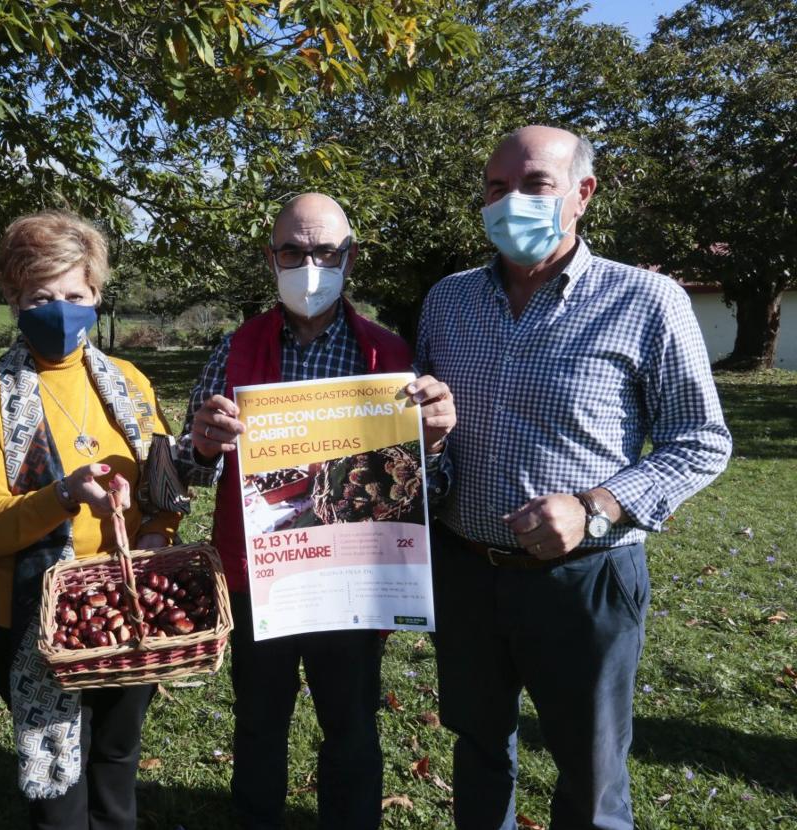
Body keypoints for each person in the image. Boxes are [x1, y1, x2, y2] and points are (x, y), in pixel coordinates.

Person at [416, 125, 732, 829]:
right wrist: (430, 435)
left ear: (582, 194)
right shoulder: (449, 301)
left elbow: (701, 441)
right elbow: (423, 439)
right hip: (466, 570)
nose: (511, 202)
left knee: (590, 772)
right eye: (497, 188)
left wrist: (596, 507)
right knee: (477, 747)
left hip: (586, 580)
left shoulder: (648, 301)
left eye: (534, 185)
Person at [180, 192, 457, 829]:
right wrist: (198, 443)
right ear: (271, 258)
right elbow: (190, 472)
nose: (310, 264)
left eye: (325, 251)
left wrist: (432, 443)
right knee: (258, 723)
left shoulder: (391, 358)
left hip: (351, 579)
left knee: (352, 725)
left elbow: (427, 489)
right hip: (261, 575)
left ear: (348, 259)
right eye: (294, 251)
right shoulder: (234, 349)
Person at [0, 210, 185, 829]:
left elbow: (164, 487)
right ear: (14, 298)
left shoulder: (130, 384)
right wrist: (61, 496)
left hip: (124, 609)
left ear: (97, 295)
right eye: (40, 296)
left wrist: (156, 532)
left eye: (74, 295)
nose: (60, 309)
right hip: (34, 620)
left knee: (115, 753)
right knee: (58, 785)